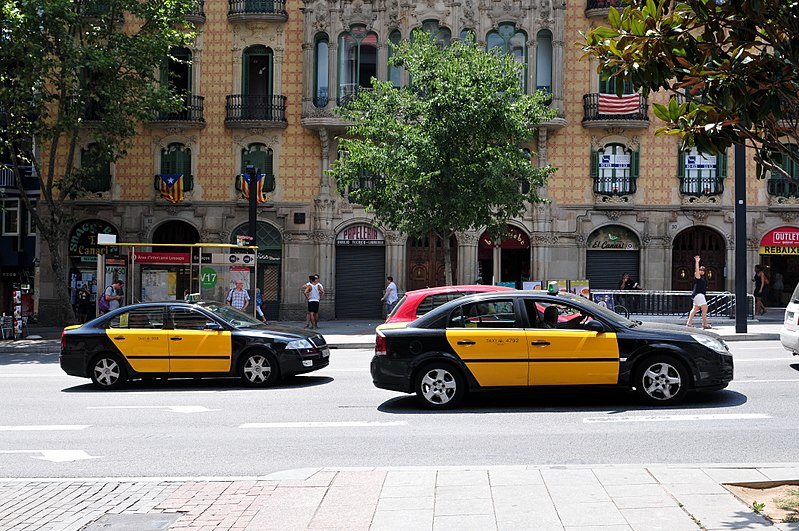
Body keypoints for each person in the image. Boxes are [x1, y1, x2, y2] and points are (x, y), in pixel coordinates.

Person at [686, 256, 711, 329]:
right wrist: (697, 262)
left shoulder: (703, 278)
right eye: (701, 270)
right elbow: (696, 270)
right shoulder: (698, 277)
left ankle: (689, 323)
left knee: (695, 309)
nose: (702, 271)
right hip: (699, 294)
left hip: (698, 295)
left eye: (703, 270)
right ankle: (705, 324)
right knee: (705, 308)